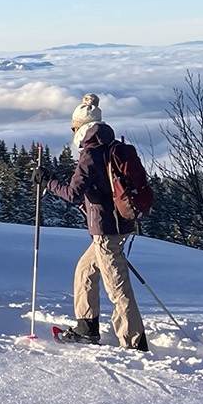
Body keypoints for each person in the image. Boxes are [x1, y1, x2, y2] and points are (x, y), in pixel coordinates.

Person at [46, 94, 146, 350]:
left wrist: (48, 182)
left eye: (73, 126)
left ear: (81, 126)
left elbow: (72, 193)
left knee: (117, 286)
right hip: (117, 225)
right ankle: (86, 327)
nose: (73, 131)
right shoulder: (109, 144)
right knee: (85, 269)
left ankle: (134, 343)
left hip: (106, 230)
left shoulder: (91, 153)